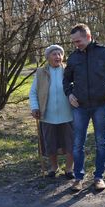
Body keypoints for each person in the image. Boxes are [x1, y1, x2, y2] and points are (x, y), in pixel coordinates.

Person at [63, 24, 105, 192]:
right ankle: (78, 178)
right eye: (74, 42)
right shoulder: (73, 58)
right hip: (80, 106)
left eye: (78, 40)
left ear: (88, 36)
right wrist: (69, 94)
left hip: (100, 105)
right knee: (77, 144)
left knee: (101, 142)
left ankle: (99, 177)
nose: (76, 44)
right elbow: (66, 80)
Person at [29, 45, 74, 178]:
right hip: (48, 115)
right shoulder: (41, 72)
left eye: (60, 54)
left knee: (70, 142)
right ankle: (54, 167)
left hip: (68, 114)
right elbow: (33, 92)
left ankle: (69, 168)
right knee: (50, 143)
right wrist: (35, 107)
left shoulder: (69, 71)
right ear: (47, 57)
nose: (57, 57)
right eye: (54, 54)